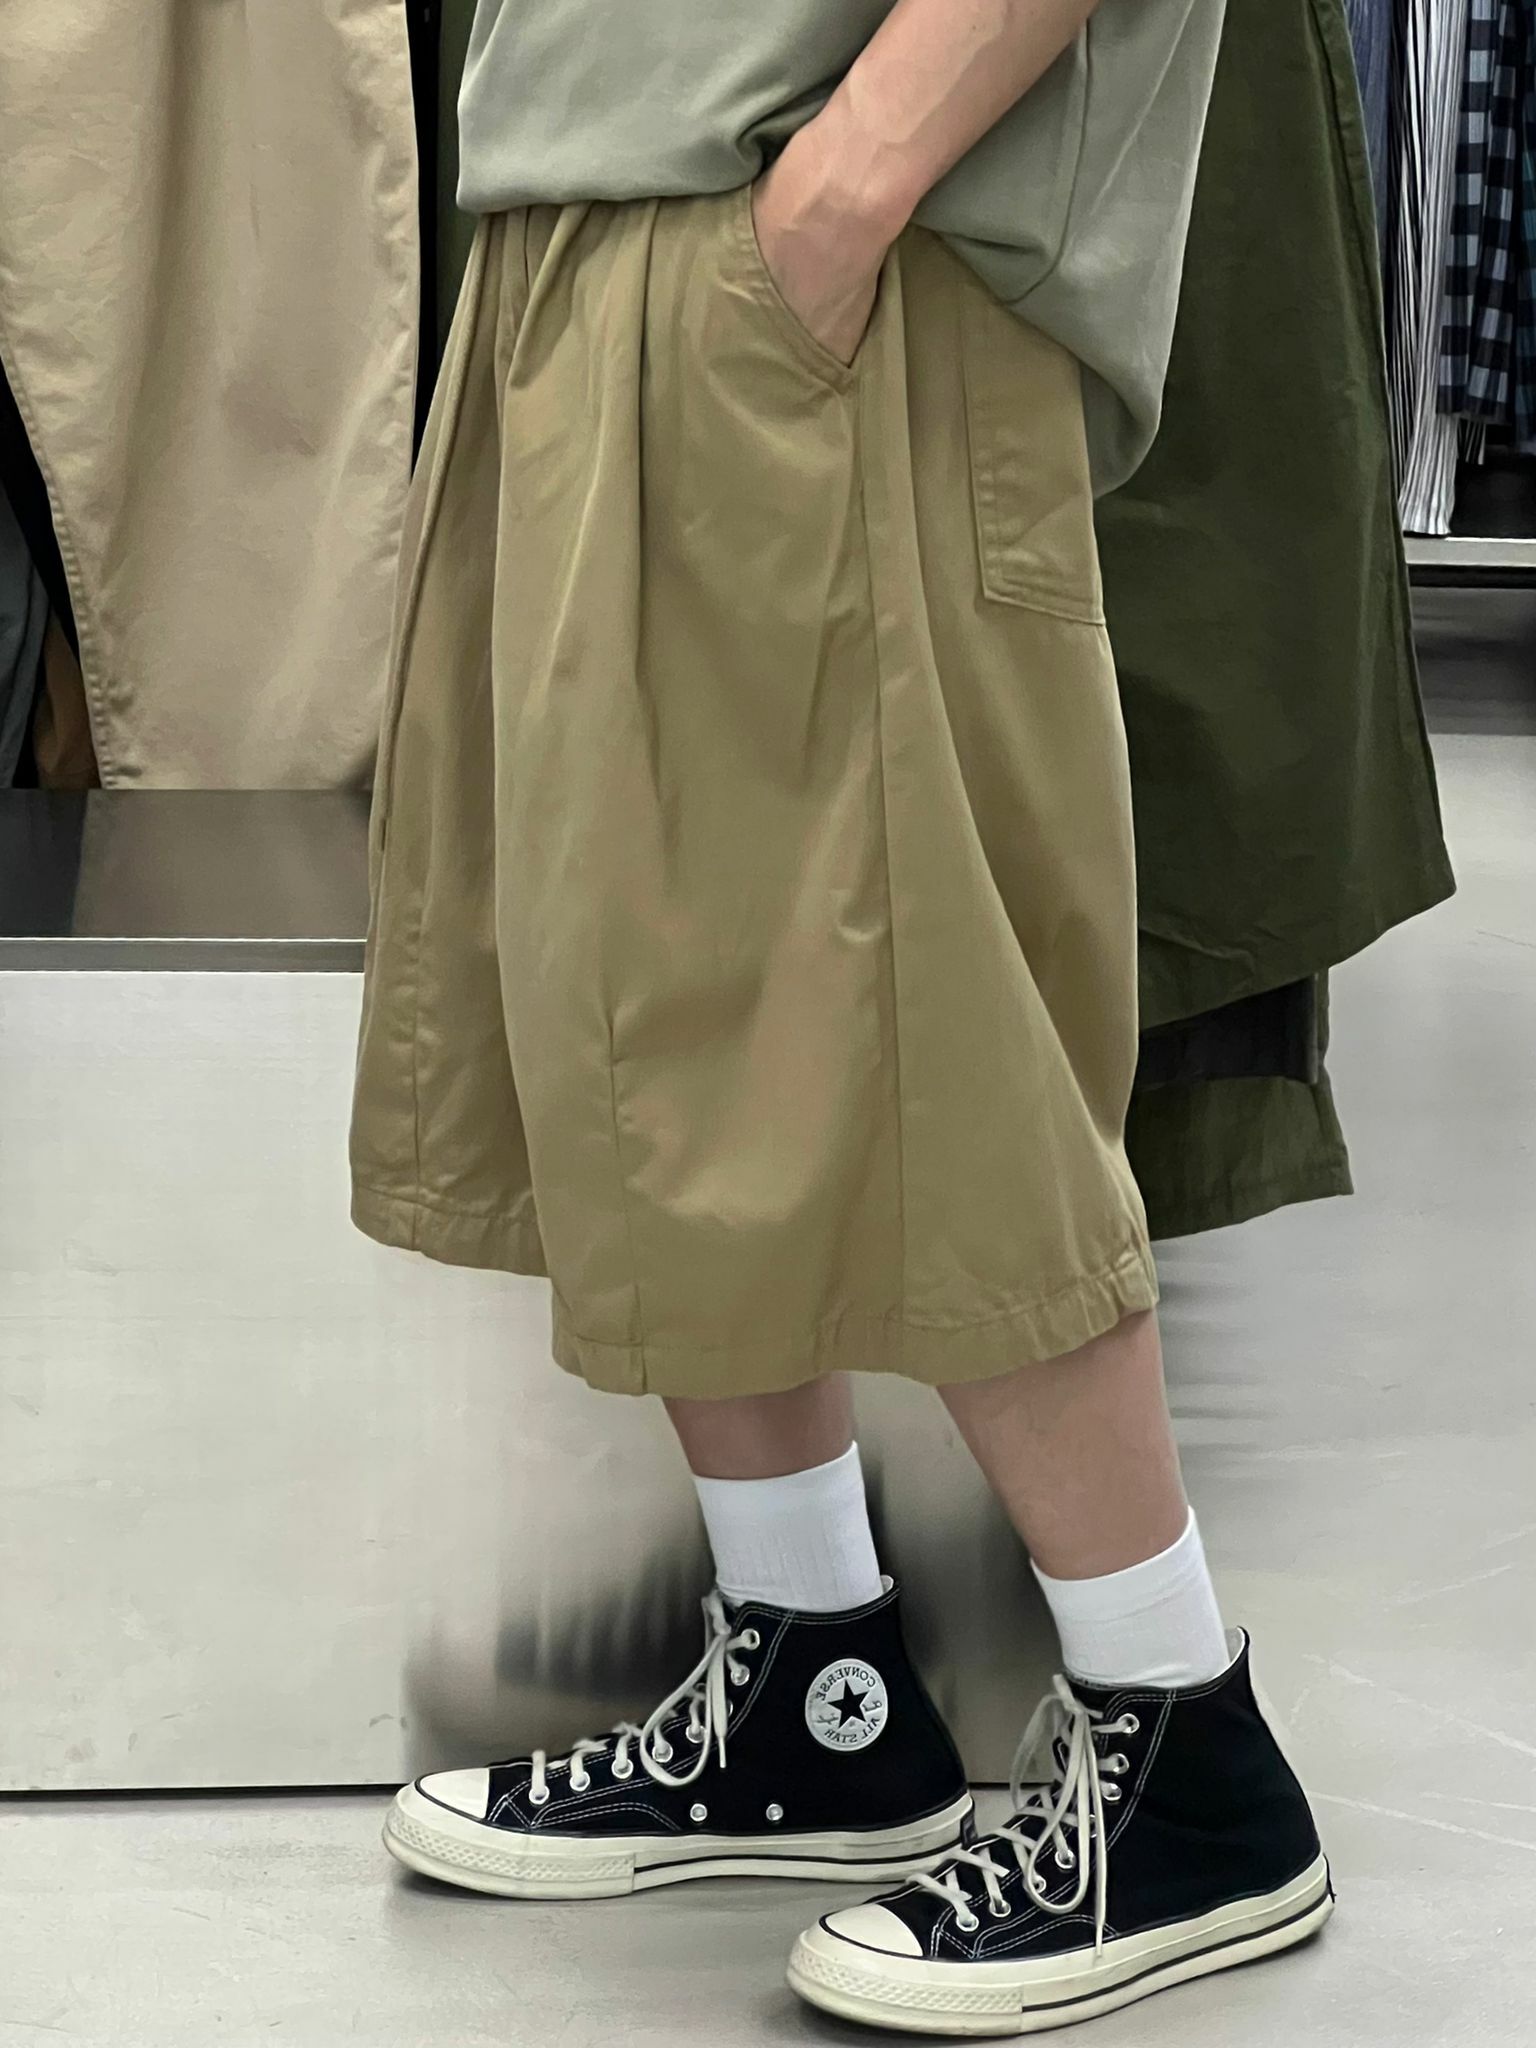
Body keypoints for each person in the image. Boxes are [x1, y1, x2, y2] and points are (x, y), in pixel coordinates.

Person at [350, 0, 1334, 2032]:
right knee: (651, 1013)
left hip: (828, 272)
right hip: (598, 237)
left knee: (940, 1042)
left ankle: (1187, 1751)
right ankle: (817, 1679)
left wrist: (848, 186)